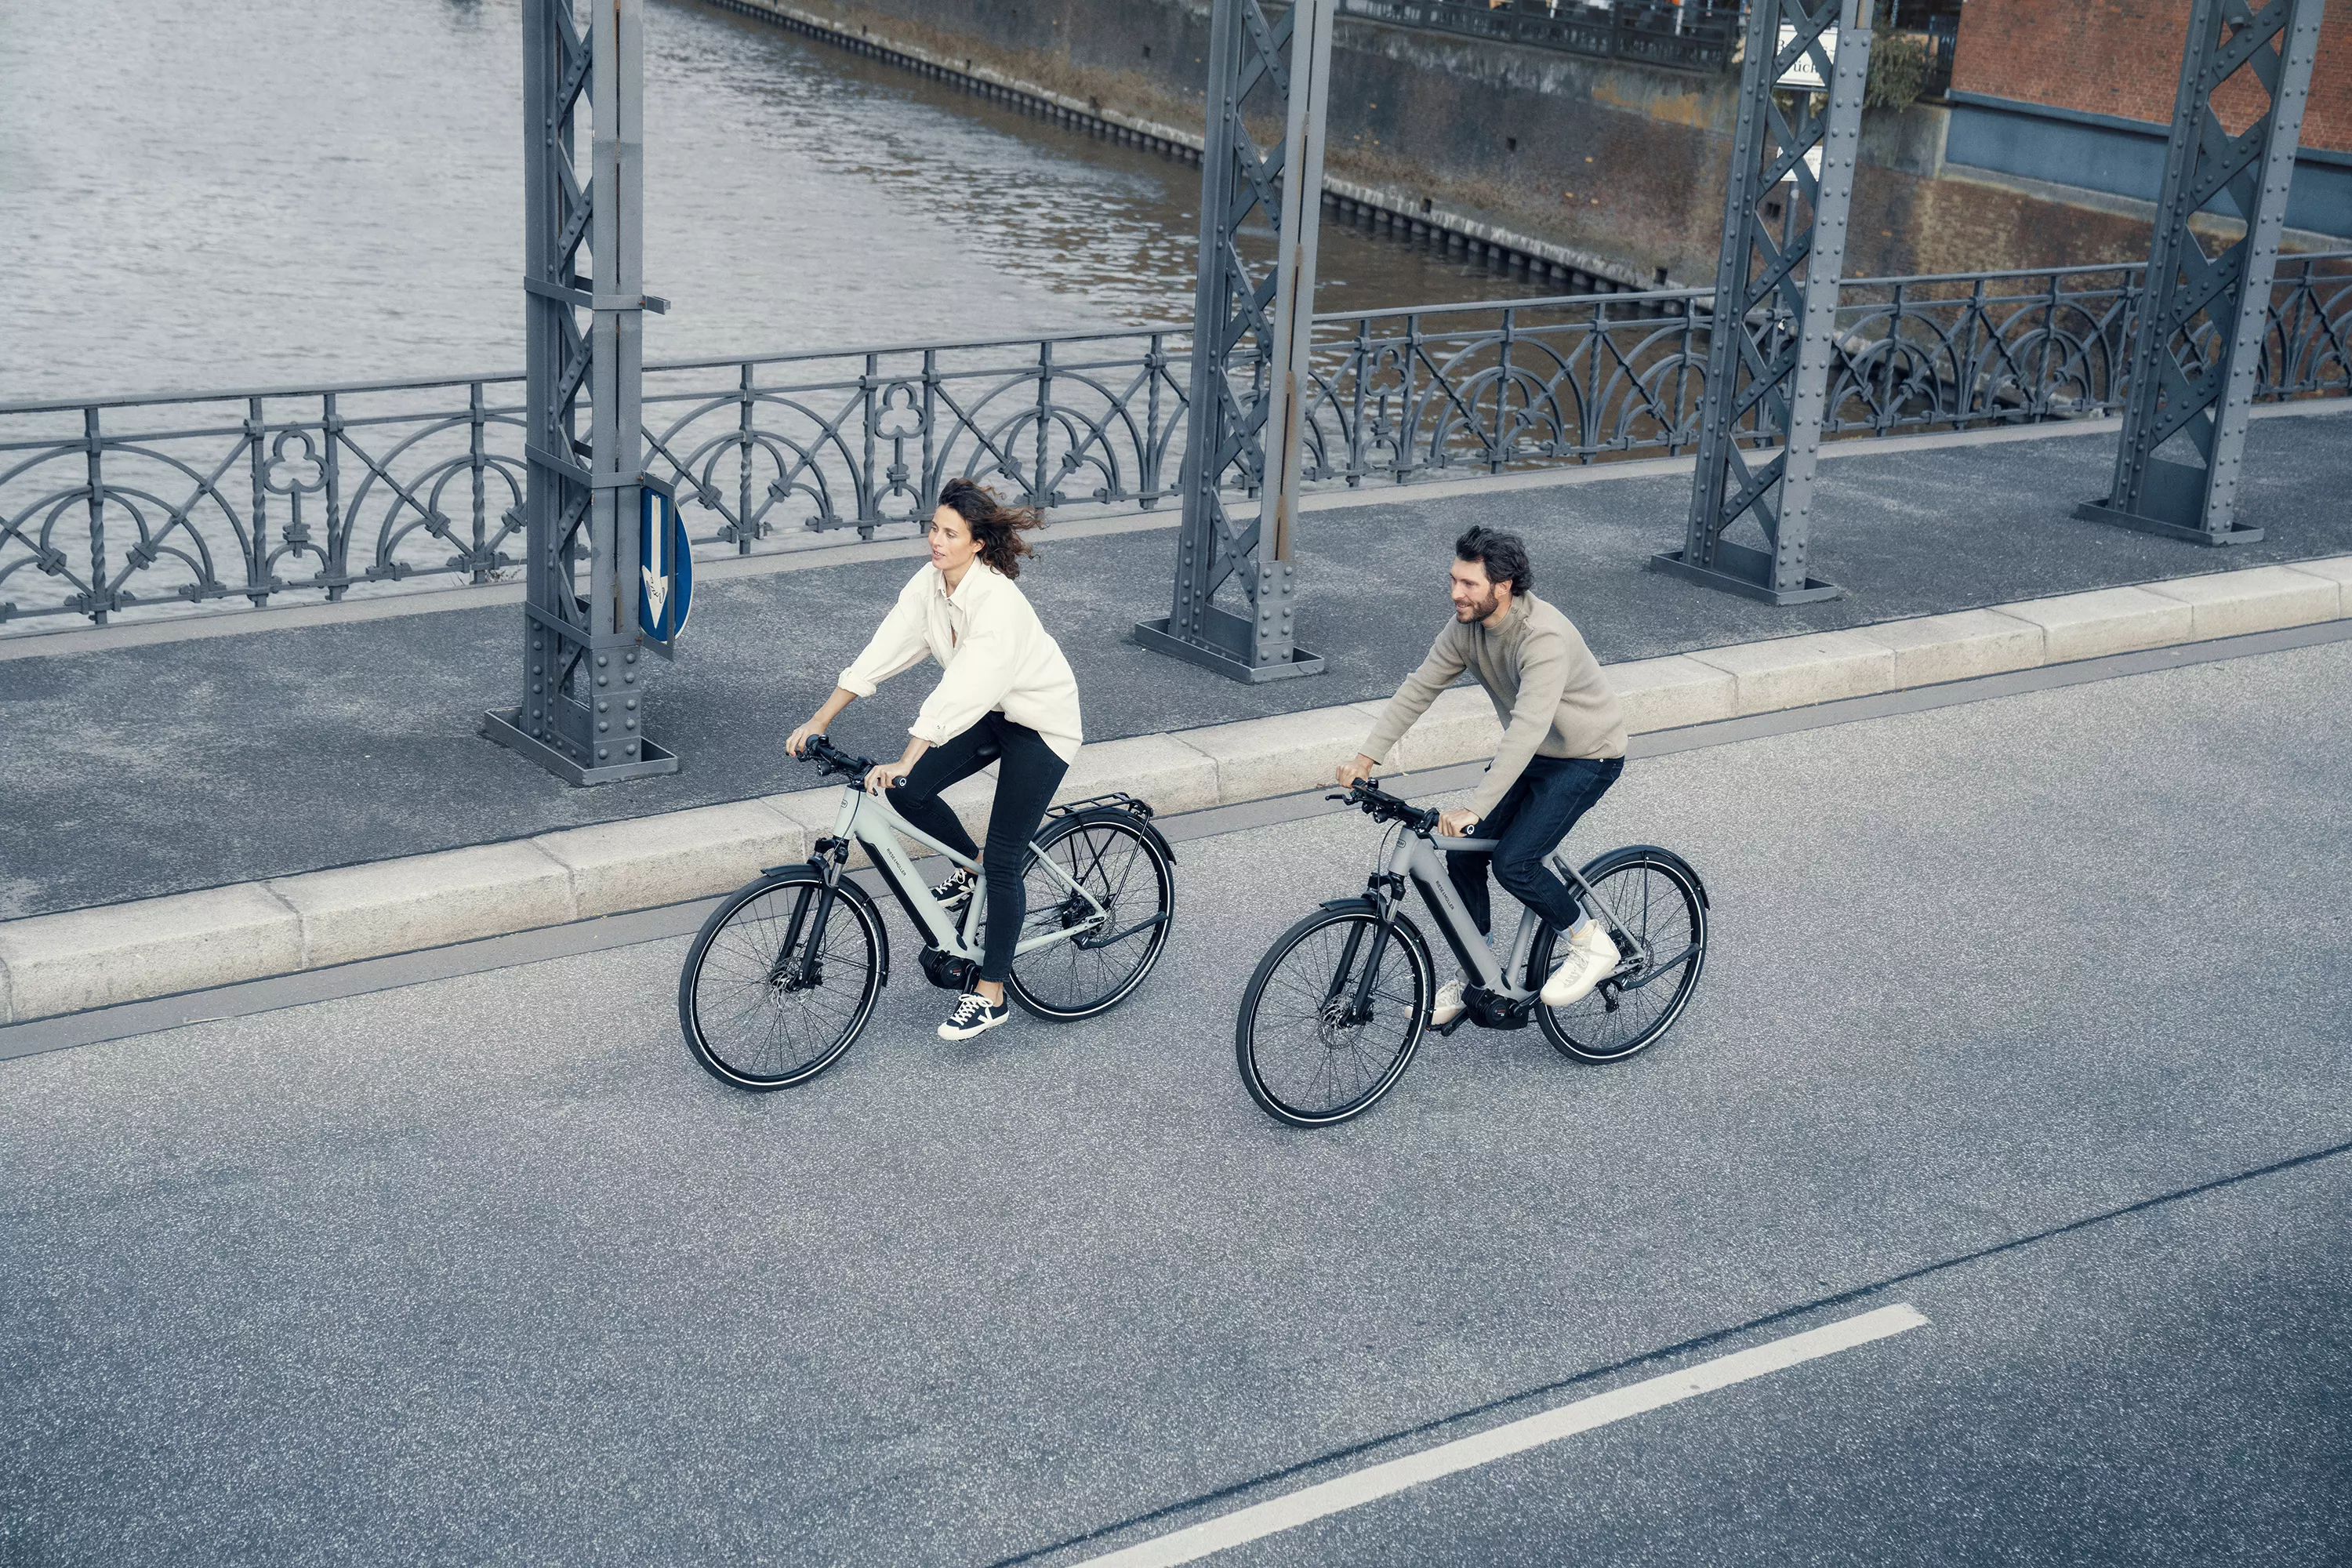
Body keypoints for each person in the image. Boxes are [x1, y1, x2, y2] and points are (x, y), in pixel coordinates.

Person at [786, 478, 1082, 1042]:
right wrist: (821, 719)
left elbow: (962, 691)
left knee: (1004, 857)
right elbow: (884, 648)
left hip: (1041, 727)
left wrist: (905, 755)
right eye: (933, 529)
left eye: (950, 533)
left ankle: (991, 994)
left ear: (976, 544)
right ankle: (968, 870)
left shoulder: (998, 604)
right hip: (992, 712)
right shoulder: (930, 585)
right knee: (904, 792)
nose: (935, 541)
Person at [1335, 526, 1627, 1024]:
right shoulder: (1465, 628)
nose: (1456, 594)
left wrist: (1475, 806)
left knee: (1516, 862)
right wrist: (1367, 758)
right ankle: (1481, 971)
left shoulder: (1544, 637)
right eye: (1454, 580)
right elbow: (1419, 689)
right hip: (1533, 752)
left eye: (1469, 584)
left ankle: (1591, 943)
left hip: (1585, 755)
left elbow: (1529, 728)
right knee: (1465, 856)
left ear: (1504, 585)